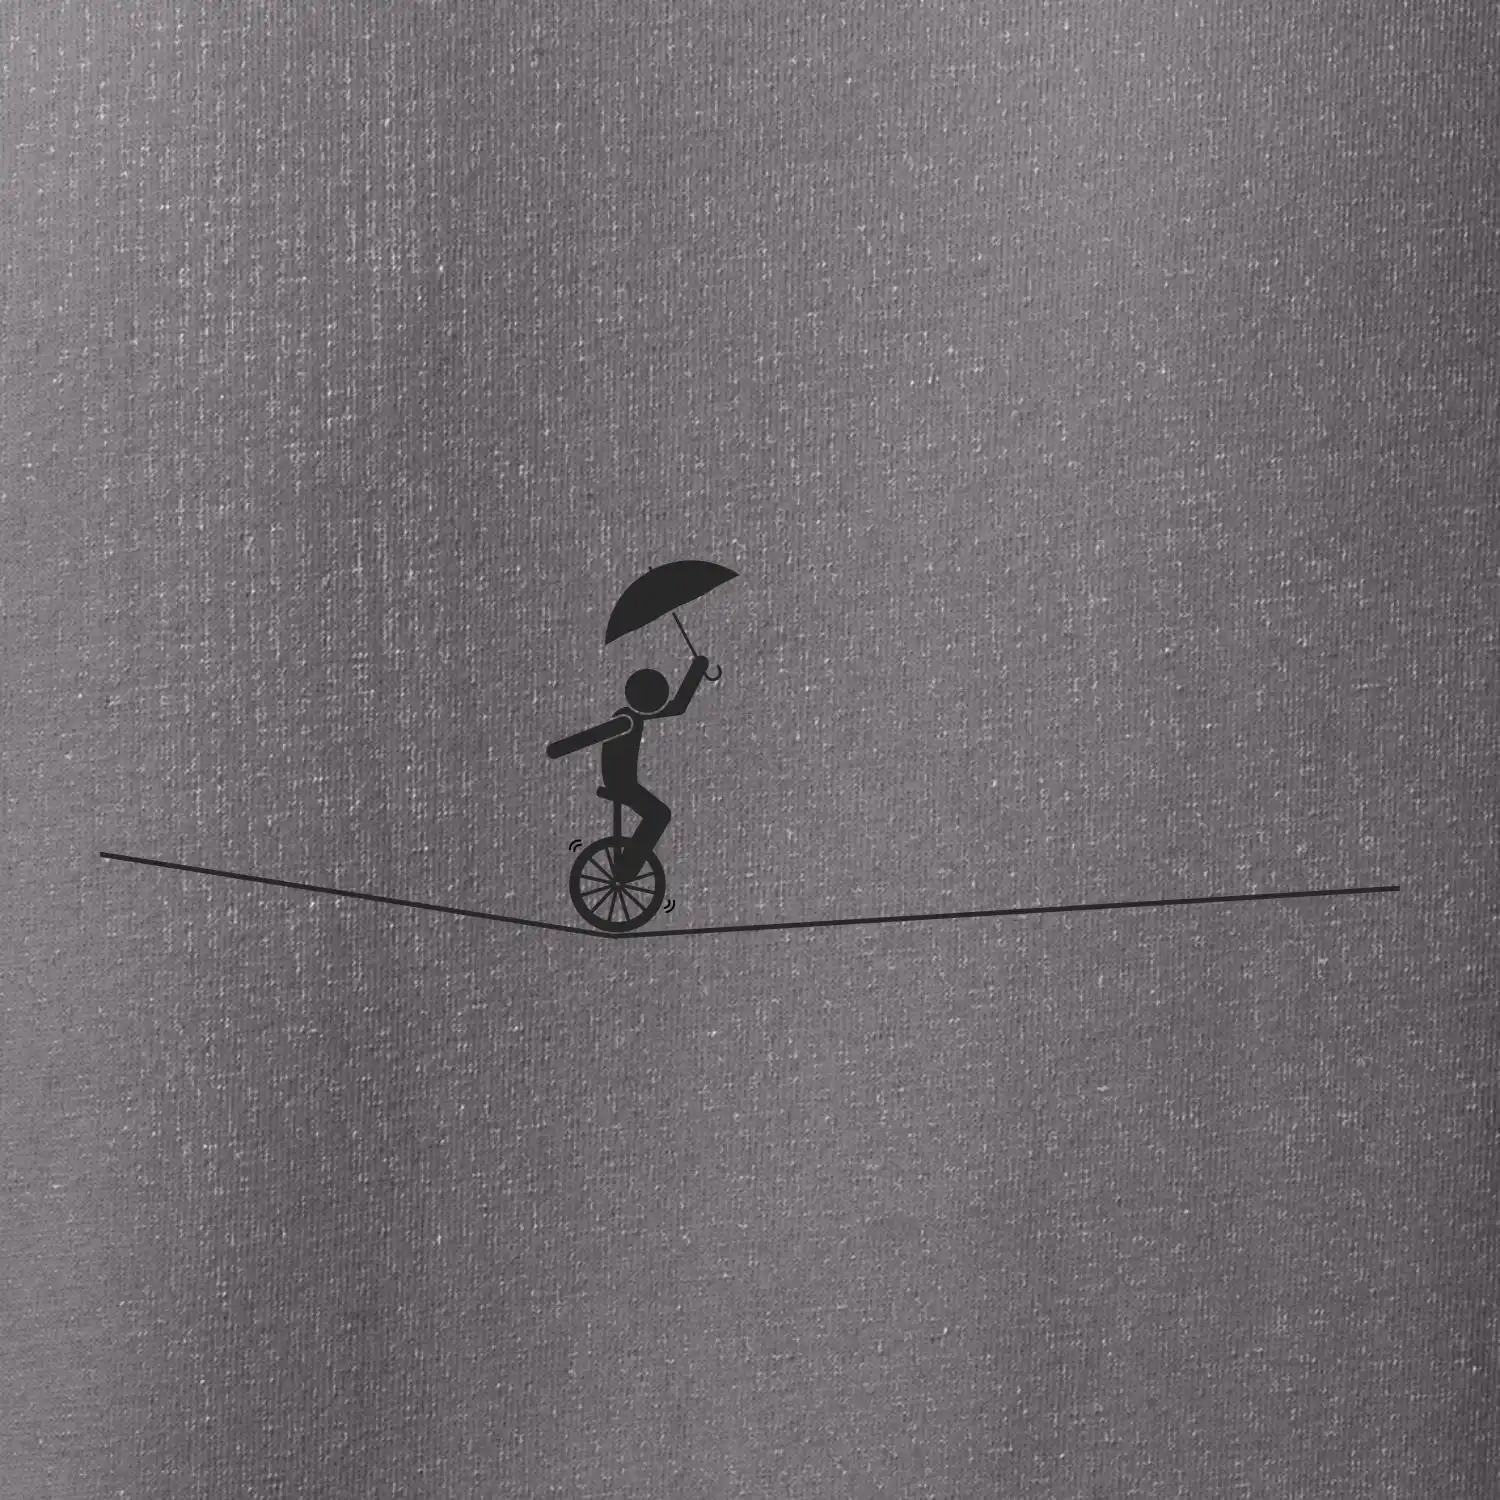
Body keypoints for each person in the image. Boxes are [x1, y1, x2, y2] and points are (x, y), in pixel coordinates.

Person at [546, 655, 712, 883]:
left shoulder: (633, 716)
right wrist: (557, 749)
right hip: (621, 784)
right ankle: (627, 868)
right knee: (659, 814)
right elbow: (591, 736)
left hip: (623, 782)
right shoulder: (626, 720)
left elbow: (677, 707)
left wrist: (697, 668)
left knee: (658, 814)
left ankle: (629, 863)